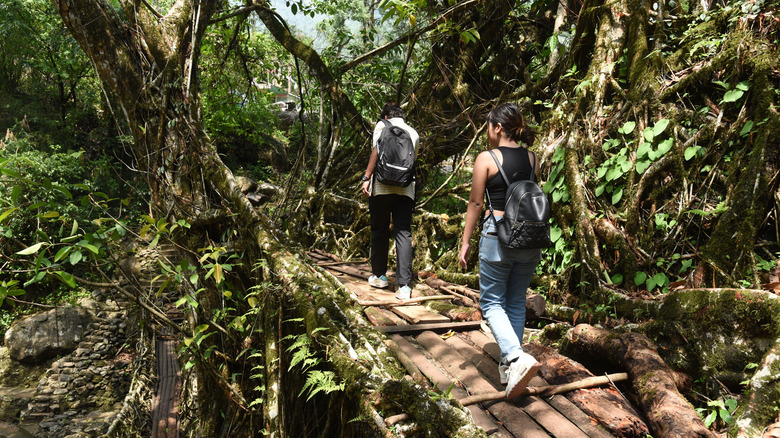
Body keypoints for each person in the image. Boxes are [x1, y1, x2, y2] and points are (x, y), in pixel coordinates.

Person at [458, 103, 543, 398]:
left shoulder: (486, 158)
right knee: (516, 301)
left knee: (492, 303)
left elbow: (475, 204)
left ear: (497, 128)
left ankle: (517, 358)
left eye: (488, 127)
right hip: (529, 238)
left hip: (497, 235)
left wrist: (466, 241)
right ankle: (511, 365)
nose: (487, 132)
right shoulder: (532, 158)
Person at [361, 103, 420, 300]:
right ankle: (404, 287)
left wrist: (366, 178)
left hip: (381, 188)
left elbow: (376, 152)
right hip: (406, 190)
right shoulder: (413, 133)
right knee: (403, 232)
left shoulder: (381, 127)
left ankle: (379, 277)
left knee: (380, 230)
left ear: (385, 117)